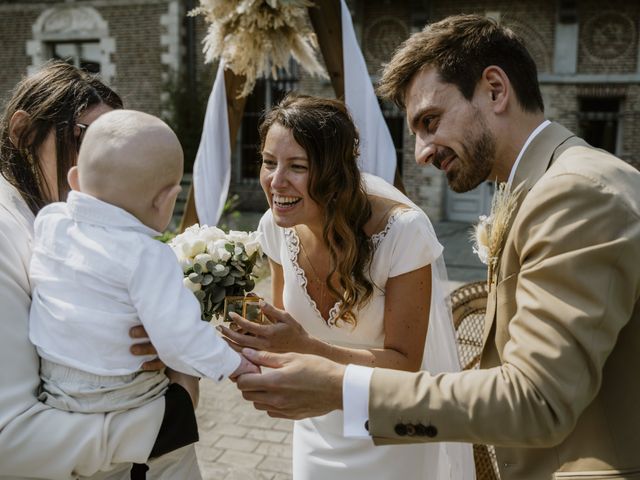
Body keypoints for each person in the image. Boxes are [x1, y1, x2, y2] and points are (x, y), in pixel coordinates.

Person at [235, 14, 640, 479]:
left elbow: (536, 399)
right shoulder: (543, 185)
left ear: (494, 89)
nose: (423, 151)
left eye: (431, 121)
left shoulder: (577, 194)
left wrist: (343, 388)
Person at [219, 94, 474, 479]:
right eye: (269, 162)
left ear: (335, 173)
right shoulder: (275, 227)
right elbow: (283, 331)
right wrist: (238, 329)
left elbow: (405, 364)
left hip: (388, 431)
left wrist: (304, 346)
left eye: (297, 166)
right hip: (317, 428)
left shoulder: (402, 232)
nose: (275, 181)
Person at [27, 109, 259, 478]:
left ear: (75, 180)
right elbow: (179, 337)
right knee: (168, 461)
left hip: (59, 395)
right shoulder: (149, 255)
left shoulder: (50, 221)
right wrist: (237, 366)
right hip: (125, 398)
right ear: (167, 200)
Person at [1, 61, 195, 479]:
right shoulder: (6, 230)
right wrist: (173, 409)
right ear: (22, 132)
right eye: (84, 141)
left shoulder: (73, 218)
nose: (103, 165)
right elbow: (9, 441)